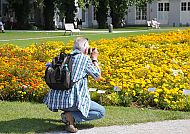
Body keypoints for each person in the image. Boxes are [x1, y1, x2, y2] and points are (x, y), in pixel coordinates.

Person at [44, 37, 105, 133]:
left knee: (78, 104)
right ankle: (71, 117)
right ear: (85, 48)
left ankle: (69, 118)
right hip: (72, 102)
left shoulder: (64, 57)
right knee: (101, 111)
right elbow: (98, 76)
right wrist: (94, 59)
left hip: (56, 102)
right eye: (88, 47)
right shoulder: (84, 59)